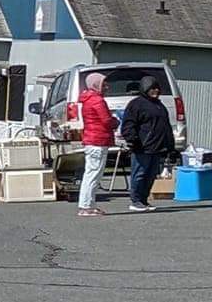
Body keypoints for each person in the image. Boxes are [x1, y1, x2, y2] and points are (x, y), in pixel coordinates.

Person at [119, 80, 177, 213]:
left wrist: (170, 146)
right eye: (152, 89)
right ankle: (135, 200)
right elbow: (128, 124)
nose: (155, 91)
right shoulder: (136, 104)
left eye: (157, 89)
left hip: (157, 147)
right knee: (139, 174)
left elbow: (166, 126)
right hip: (142, 146)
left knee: (151, 175)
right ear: (145, 89)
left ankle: (143, 199)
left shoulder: (159, 105)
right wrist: (132, 139)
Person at [75, 72, 115, 217]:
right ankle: (86, 206)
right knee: (93, 175)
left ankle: (89, 205)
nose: (106, 87)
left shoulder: (88, 99)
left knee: (91, 174)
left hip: (92, 140)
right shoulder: (97, 100)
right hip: (97, 141)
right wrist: (116, 121)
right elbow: (106, 120)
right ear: (96, 84)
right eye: (103, 84)